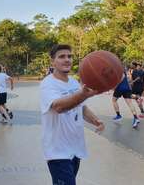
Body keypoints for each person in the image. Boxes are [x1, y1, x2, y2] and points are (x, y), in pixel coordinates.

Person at [40, 44, 105, 185]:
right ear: (53, 61)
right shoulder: (48, 84)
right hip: (57, 151)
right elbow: (59, 107)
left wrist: (95, 120)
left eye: (69, 56)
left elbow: (80, 107)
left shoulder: (74, 83)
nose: (67, 59)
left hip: (75, 149)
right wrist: (83, 94)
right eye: (61, 56)